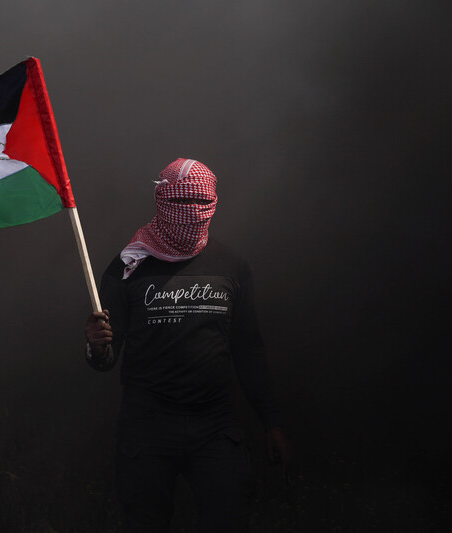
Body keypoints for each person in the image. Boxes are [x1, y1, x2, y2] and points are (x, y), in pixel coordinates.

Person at [85, 158, 290, 533]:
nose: (192, 212)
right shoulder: (128, 267)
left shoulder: (232, 266)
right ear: (162, 201)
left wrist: (270, 420)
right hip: (146, 428)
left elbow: (248, 348)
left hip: (215, 426)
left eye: (201, 201)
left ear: (214, 202)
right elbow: (106, 358)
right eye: (182, 202)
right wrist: (96, 347)